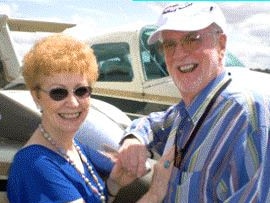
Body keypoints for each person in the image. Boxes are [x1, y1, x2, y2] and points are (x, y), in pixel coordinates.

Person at [118, 2, 270, 202]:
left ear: (221, 45)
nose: (179, 53)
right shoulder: (188, 109)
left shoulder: (245, 114)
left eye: (192, 39)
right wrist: (134, 139)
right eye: (169, 45)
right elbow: (153, 123)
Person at [7, 34, 175, 203]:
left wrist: (113, 184)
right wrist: (154, 194)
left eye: (81, 91)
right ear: (36, 96)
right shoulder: (36, 167)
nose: (73, 103)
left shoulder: (74, 148)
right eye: (58, 92)